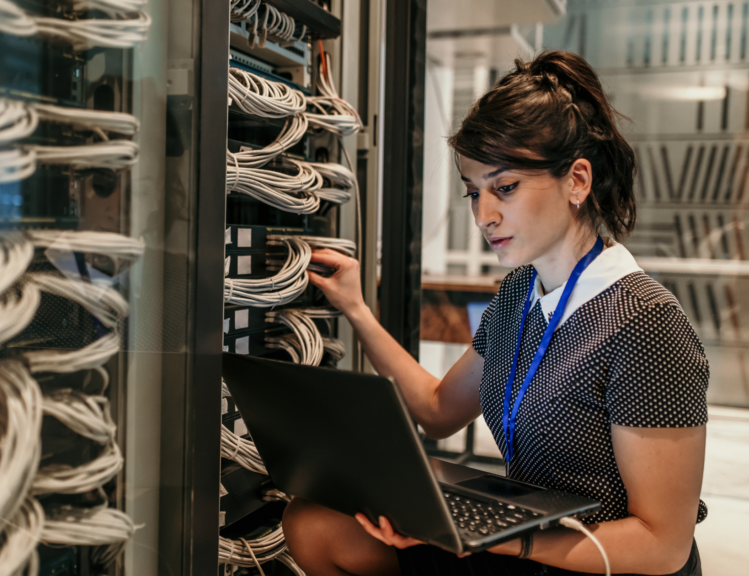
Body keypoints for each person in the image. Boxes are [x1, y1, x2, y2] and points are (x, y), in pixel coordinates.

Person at [284, 51, 708, 576]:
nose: (484, 215)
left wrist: (496, 541)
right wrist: (356, 309)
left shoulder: (644, 323)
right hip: (526, 543)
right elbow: (440, 412)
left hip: (599, 562)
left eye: (504, 188)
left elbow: (663, 545)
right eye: (473, 192)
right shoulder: (518, 295)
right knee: (316, 521)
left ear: (578, 181)